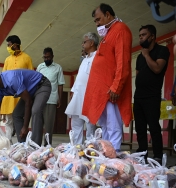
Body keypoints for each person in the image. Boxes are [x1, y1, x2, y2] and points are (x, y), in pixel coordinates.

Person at [82, 3, 132, 151]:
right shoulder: (108, 33)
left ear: (108, 15)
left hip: (111, 90)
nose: (97, 24)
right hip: (102, 91)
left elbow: (123, 61)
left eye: (98, 19)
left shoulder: (120, 30)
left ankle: (114, 154)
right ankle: (107, 152)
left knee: (113, 125)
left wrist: (116, 86)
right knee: (105, 125)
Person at [0, 68, 51, 146]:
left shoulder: (12, 79)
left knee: (36, 110)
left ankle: (35, 146)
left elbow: (28, 101)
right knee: (16, 114)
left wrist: (25, 127)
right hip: (29, 92)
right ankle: (23, 145)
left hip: (41, 85)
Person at [134, 25, 170, 162]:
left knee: (154, 127)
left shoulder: (162, 50)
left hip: (152, 96)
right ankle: (142, 155)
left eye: (143, 35)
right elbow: (138, 76)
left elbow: (157, 69)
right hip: (138, 96)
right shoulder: (139, 57)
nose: (141, 38)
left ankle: (157, 157)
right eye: (140, 35)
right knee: (140, 128)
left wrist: (147, 54)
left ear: (152, 36)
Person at [65, 32, 99, 145]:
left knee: (90, 125)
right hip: (78, 96)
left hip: (90, 96)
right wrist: (73, 92)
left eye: (84, 42)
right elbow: (80, 77)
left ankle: (90, 151)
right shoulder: (84, 59)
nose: (82, 45)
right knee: (76, 124)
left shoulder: (98, 57)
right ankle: (76, 150)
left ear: (92, 43)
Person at [0, 35, 34, 141]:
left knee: (20, 119)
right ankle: (8, 143)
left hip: (22, 94)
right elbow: (3, 76)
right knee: (9, 121)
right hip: (9, 95)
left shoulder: (27, 58)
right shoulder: (7, 60)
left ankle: (21, 143)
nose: (8, 47)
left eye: (9, 45)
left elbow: (31, 76)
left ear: (15, 45)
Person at [36, 47, 65, 146]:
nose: (46, 59)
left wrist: (59, 99)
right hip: (39, 100)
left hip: (51, 100)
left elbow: (60, 84)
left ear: (52, 56)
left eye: (48, 57)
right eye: (44, 57)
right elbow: (35, 83)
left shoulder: (58, 68)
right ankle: (36, 146)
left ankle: (47, 147)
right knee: (38, 124)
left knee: (48, 126)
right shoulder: (40, 67)